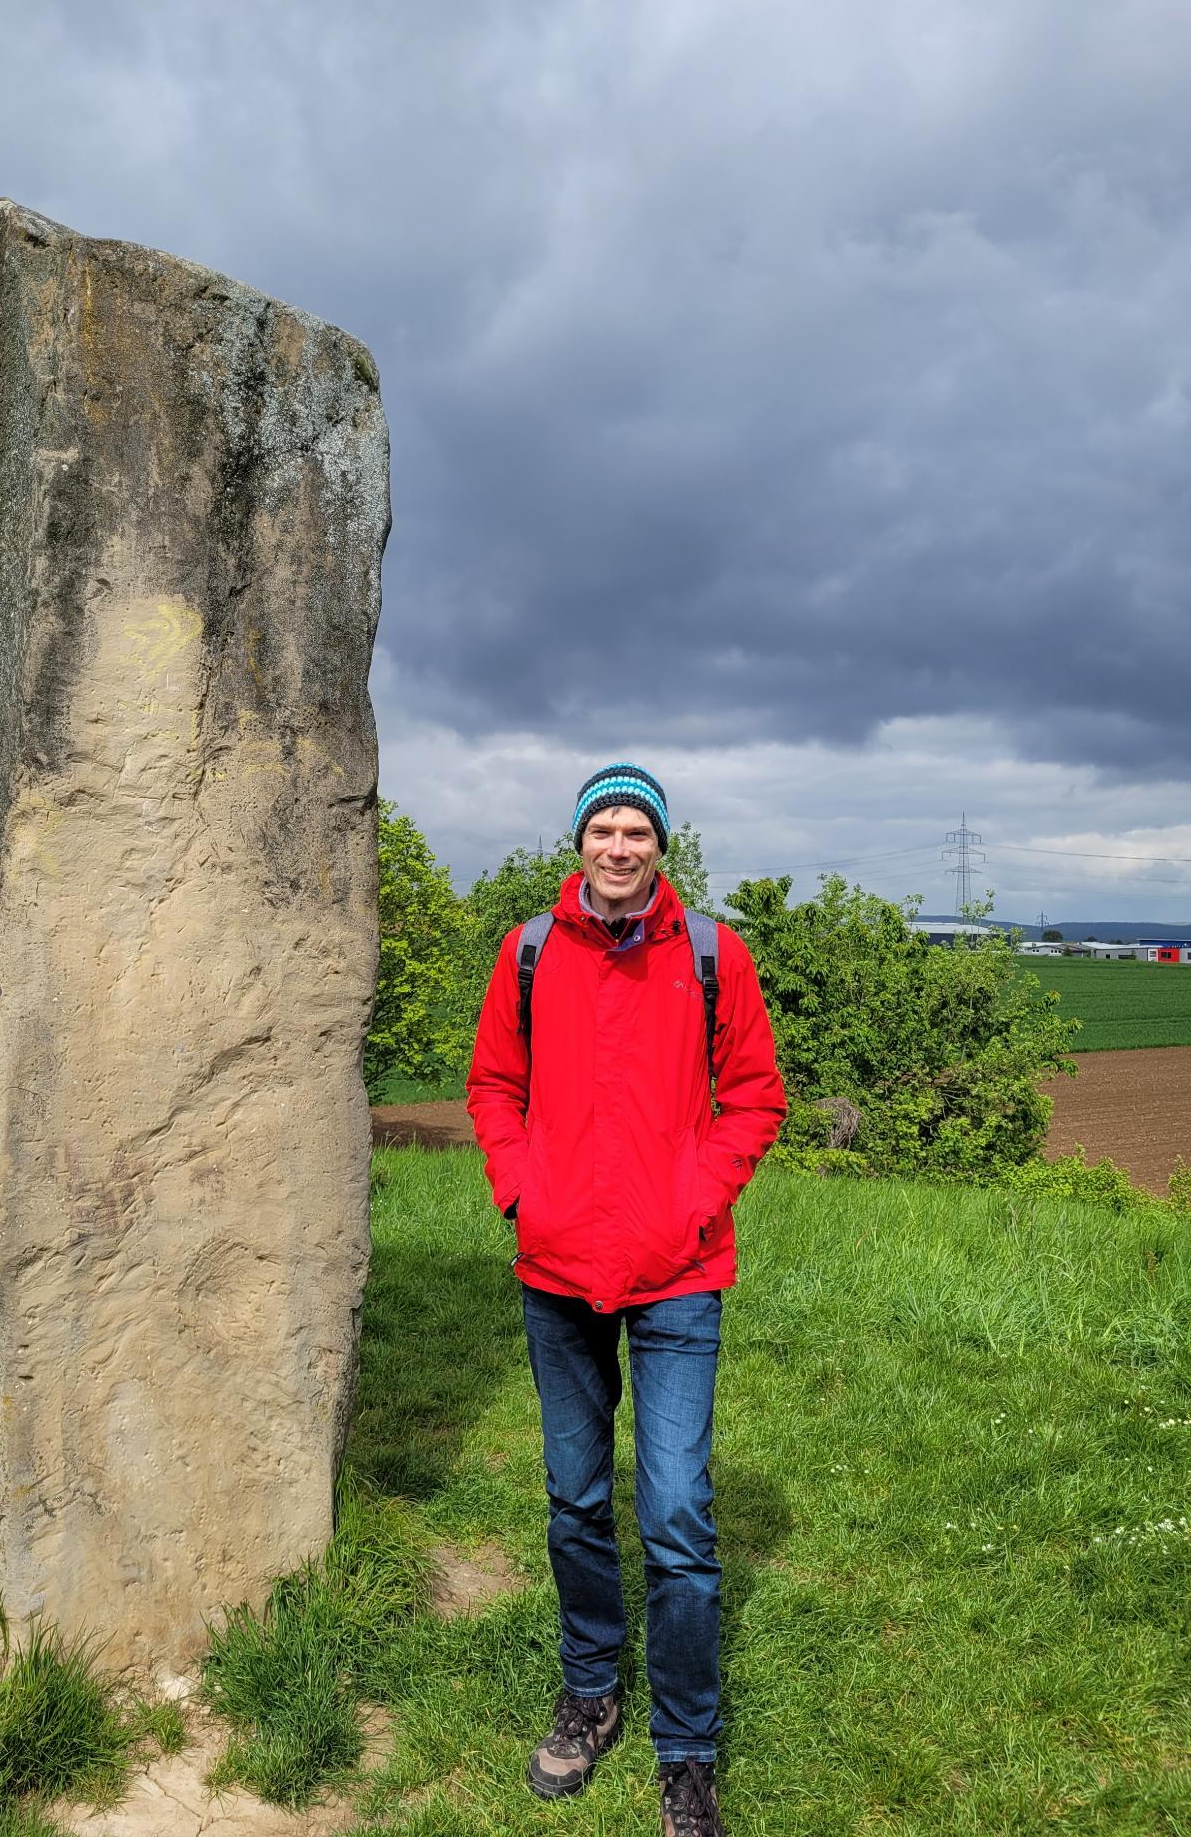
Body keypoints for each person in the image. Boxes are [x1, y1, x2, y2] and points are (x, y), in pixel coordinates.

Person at [466, 763, 786, 1837]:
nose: (617, 845)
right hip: (558, 1267)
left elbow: (755, 1094)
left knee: (681, 1515)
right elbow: (492, 1087)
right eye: (601, 827)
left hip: (679, 1269)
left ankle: (687, 1752)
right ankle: (592, 1690)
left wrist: (696, 1199)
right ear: (579, 842)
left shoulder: (711, 953)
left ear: (660, 844)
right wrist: (522, 1188)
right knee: (574, 1494)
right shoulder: (527, 952)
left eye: (634, 828)